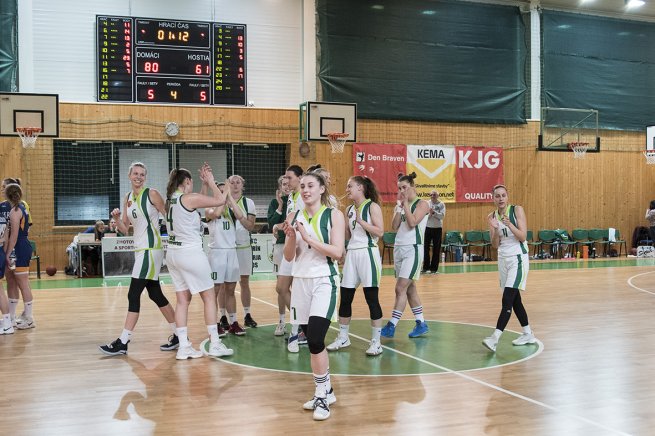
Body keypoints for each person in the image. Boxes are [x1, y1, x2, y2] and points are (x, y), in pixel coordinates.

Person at [282, 170, 345, 421]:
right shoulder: (293, 216)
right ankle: (327, 389)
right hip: (300, 282)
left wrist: (307, 237)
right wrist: (290, 238)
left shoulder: (334, 215)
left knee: (317, 338)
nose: (306, 190)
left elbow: (337, 252)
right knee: (311, 340)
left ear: (321, 189)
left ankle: (321, 394)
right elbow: (289, 257)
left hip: (324, 281)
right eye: (303, 186)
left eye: (311, 185)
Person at [99, 162, 179, 356]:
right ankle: (180, 334)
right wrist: (117, 219)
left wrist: (178, 236)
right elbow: (126, 228)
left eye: (142, 174)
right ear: (129, 176)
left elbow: (168, 215)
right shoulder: (127, 198)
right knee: (155, 295)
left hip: (151, 249)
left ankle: (123, 341)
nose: (139, 177)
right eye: (135, 173)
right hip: (140, 250)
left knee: (133, 294)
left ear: (145, 177)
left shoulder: (152, 194)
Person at [165, 165, 233, 360]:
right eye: (192, 183)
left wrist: (204, 185)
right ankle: (215, 343)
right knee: (209, 297)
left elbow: (196, 205)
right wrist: (213, 182)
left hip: (173, 254)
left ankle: (184, 346)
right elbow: (220, 199)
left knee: (182, 300)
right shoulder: (188, 198)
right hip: (190, 253)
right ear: (186, 182)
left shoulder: (172, 200)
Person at [326, 176, 385, 356]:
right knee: (345, 297)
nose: (347, 188)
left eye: (350, 185)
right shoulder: (350, 209)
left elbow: (380, 232)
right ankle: (344, 337)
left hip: (368, 252)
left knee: (371, 298)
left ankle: (376, 342)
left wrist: (362, 222)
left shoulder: (372, 206)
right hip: (352, 253)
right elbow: (346, 234)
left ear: (360, 187)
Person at [482, 184, 537, 352]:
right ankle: (528, 333)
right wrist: (496, 230)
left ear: (507, 197)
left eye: (503, 195)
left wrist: (509, 224)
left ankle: (495, 338)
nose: (500, 199)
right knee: (515, 300)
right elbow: (494, 245)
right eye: (497, 196)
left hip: (518, 259)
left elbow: (523, 237)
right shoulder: (491, 216)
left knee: (507, 299)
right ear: (493, 198)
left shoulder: (516, 210)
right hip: (503, 260)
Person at [380, 172, 430, 339]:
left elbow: (413, 222)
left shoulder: (423, 204)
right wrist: (399, 208)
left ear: (412, 187)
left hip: (413, 249)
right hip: (399, 248)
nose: (401, 190)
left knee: (400, 288)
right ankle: (421, 323)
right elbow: (394, 226)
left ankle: (391, 325)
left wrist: (406, 205)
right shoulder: (400, 205)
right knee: (410, 289)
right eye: (399, 188)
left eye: (404, 187)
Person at [218, 175, 258, 331]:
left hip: (243, 248)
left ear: (243, 185)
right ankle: (223, 316)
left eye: (238, 182)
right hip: (226, 248)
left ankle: (247, 315)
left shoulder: (249, 203)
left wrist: (239, 216)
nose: (235, 185)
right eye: (232, 182)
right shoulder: (221, 201)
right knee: (223, 285)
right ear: (228, 185)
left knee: (244, 282)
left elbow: (250, 226)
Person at [206, 182, 244, 337]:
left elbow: (241, 215)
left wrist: (230, 198)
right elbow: (215, 214)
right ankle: (214, 323)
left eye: (224, 192)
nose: (223, 194)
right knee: (214, 291)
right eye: (220, 192)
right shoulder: (209, 209)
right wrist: (224, 195)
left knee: (230, 290)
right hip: (217, 254)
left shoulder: (230, 210)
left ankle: (233, 322)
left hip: (231, 253)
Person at [3, 183, 35, 330]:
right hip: (18, 246)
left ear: (7, 195)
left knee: (23, 282)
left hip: (19, 247)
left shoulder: (16, 211)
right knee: (12, 280)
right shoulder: (19, 207)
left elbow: (14, 235)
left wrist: (8, 252)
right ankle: (11, 316)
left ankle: (29, 318)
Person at [284, 164, 308, 352]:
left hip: (302, 250)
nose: (287, 180)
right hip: (291, 245)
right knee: (282, 288)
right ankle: (300, 326)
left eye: (290, 177)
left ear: (300, 178)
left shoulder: (303, 197)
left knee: (291, 289)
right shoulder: (291, 197)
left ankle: (299, 328)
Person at [268, 175, 290, 336]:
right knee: (281, 288)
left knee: (295, 286)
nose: (286, 186)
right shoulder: (275, 202)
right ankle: (282, 321)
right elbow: (272, 223)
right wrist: (280, 206)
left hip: (293, 247)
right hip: (280, 248)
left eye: (289, 184)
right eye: (284, 184)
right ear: (280, 186)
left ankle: (299, 322)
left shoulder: (297, 200)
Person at [422, 190, 446, 274]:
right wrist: (429, 214)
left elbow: (442, 216)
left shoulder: (441, 204)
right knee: (425, 248)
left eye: (434, 195)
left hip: (437, 228)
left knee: (436, 249)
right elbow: (424, 216)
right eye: (431, 195)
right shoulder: (427, 204)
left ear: (437, 196)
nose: (432, 196)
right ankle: (425, 268)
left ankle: (434, 269)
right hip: (427, 228)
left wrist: (434, 213)